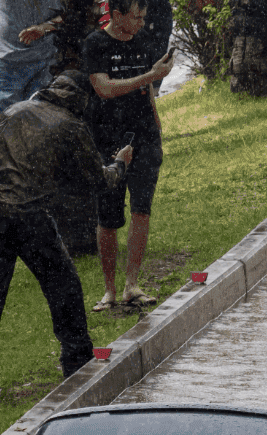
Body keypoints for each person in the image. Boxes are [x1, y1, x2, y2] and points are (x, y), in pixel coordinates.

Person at [0, 69, 133, 398]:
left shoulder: (16, 110)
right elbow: (96, 182)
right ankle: (77, 360)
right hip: (27, 216)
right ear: (82, 101)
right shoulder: (72, 126)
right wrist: (120, 165)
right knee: (63, 287)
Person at [83, 0, 176, 311]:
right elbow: (104, 88)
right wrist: (149, 76)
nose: (140, 22)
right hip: (108, 136)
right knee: (108, 215)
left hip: (144, 135)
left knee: (142, 209)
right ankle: (109, 290)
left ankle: (131, 284)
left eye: (144, 17)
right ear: (117, 15)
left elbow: (146, 90)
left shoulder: (143, 41)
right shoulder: (96, 43)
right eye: (135, 17)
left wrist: (156, 124)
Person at [0, 0, 71, 118]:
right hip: (43, 58)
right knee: (37, 118)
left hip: (8, 58)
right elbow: (74, 13)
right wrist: (44, 27)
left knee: (5, 121)